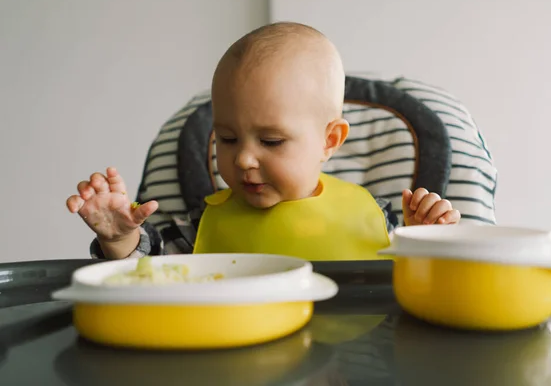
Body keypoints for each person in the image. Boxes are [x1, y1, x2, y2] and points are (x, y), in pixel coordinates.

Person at [65, 22, 461, 261]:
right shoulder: (202, 225)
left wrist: (425, 239)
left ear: (330, 140)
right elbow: (145, 275)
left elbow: (418, 290)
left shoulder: (376, 219)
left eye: (271, 141)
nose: (243, 160)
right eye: (228, 138)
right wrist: (120, 238)